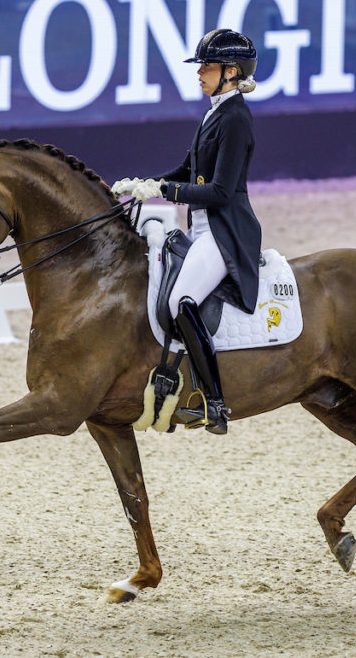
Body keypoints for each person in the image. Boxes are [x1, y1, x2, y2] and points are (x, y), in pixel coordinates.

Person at [114, 29, 262, 434]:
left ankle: (214, 402)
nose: (199, 73)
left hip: (224, 232)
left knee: (182, 300)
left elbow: (219, 191)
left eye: (207, 67)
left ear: (231, 72)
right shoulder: (215, 111)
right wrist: (145, 183)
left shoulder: (236, 119)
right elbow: (186, 170)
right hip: (199, 229)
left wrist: (166, 191)